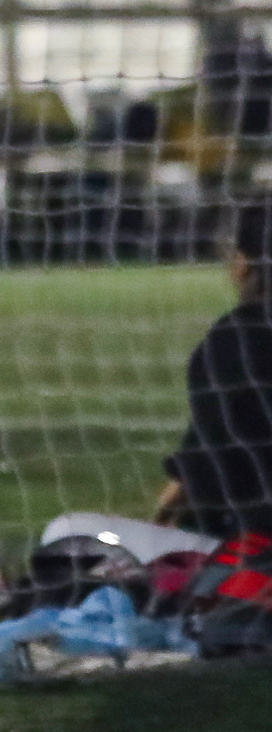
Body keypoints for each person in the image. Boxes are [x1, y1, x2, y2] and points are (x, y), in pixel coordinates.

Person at [156, 198, 272, 538]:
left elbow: (208, 468)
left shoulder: (234, 342)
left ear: (242, 264)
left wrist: (165, 529)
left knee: (68, 532)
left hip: (249, 547)